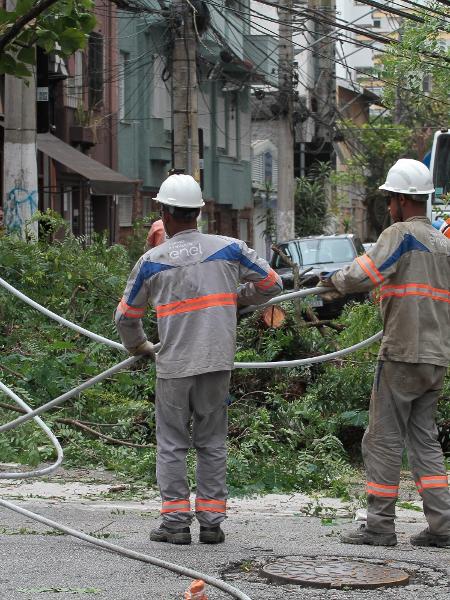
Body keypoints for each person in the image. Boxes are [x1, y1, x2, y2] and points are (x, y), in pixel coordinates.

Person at [115, 174, 282, 545]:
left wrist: (139, 347)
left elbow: (126, 317)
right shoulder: (230, 249)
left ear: (164, 213)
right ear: (198, 213)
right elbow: (272, 285)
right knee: (212, 442)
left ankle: (174, 526)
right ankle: (211, 523)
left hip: (174, 366)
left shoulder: (152, 260)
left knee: (172, 443)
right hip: (217, 362)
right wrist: (239, 297)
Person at [319, 159, 450, 548]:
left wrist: (332, 283)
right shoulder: (444, 243)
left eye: (389, 199)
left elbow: (363, 274)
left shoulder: (401, 234)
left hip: (402, 353)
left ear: (398, 200)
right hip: (436, 357)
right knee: (424, 439)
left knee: (382, 440)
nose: (388, 207)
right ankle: (442, 527)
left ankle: (379, 526)